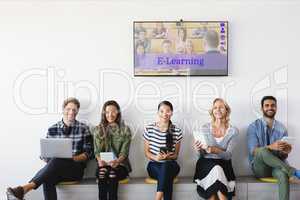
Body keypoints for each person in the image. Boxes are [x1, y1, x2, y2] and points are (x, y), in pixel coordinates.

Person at [6, 97, 93, 200]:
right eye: (68, 109)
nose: (71, 112)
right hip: (56, 168)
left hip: (75, 170)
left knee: (58, 160)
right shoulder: (52, 129)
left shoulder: (84, 128)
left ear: (77, 111)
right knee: (48, 177)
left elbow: (89, 153)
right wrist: (47, 157)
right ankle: (23, 190)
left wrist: (72, 158)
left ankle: (24, 188)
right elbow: (45, 154)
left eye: (74, 110)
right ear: (63, 110)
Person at [247, 96, 300, 200]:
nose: (270, 107)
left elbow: (282, 156)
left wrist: (286, 152)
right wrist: (270, 147)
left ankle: (289, 173)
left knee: (282, 175)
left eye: (273, 105)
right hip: (260, 168)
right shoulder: (253, 126)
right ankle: (292, 172)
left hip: (277, 166)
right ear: (262, 108)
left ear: (276, 108)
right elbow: (253, 151)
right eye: (267, 105)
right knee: (262, 150)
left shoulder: (282, 128)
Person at [193, 98, 238, 200]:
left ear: (227, 110)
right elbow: (201, 155)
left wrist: (215, 150)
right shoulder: (205, 128)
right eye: (215, 108)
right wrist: (198, 149)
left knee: (213, 189)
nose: (218, 110)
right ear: (212, 111)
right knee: (216, 170)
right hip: (206, 164)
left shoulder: (233, 131)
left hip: (224, 164)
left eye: (221, 107)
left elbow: (228, 156)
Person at [92, 100, 132, 200]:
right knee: (102, 173)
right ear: (104, 113)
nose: (110, 114)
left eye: (113, 111)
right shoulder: (98, 129)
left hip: (120, 165)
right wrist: (99, 160)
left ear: (118, 112)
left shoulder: (125, 130)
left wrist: (117, 161)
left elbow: (124, 152)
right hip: (103, 164)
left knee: (112, 173)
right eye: (107, 112)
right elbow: (97, 151)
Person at [143, 101, 182, 200]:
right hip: (154, 165)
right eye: (162, 111)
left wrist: (168, 157)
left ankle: (157, 198)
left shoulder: (177, 131)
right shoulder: (149, 129)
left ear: (172, 113)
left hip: (171, 164)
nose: (165, 114)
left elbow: (176, 155)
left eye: (168, 111)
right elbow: (146, 152)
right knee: (166, 175)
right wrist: (156, 157)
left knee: (166, 166)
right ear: (158, 113)